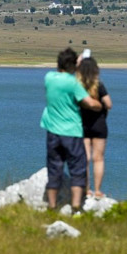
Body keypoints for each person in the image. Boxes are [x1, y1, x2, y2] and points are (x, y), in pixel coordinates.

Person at [40, 47, 102, 212]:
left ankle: (52, 207)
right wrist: (99, 105)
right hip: (71, 131)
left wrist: (76, 63)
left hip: (52, 130)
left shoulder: (49, 78)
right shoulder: (73, 83)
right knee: (78, 169)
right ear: (73, 65)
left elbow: (61, 76)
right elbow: (88, 103)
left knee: (54, 169)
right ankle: (76, 207)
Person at [77, 57, 113, 198]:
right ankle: (98, 191)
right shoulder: (99, 85)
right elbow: (109, 104)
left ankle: (86, 189)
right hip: (99, 125)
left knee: (84, 159)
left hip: (82, 125)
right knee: (98, 159)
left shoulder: (78, 86)